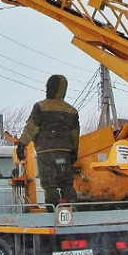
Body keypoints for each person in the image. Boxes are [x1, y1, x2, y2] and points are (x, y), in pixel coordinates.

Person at [16, 74, 80, 206]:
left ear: (49, 88)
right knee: (66, 182)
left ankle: (53, 209)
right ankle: (71, 205)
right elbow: (75, 134)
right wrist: (74, 151)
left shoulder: (40, 107)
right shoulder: (71, 111)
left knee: (49, 184)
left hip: (46, 152)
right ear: (63, 90)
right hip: (64, 153)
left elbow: (31, 128)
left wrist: (21, 145)